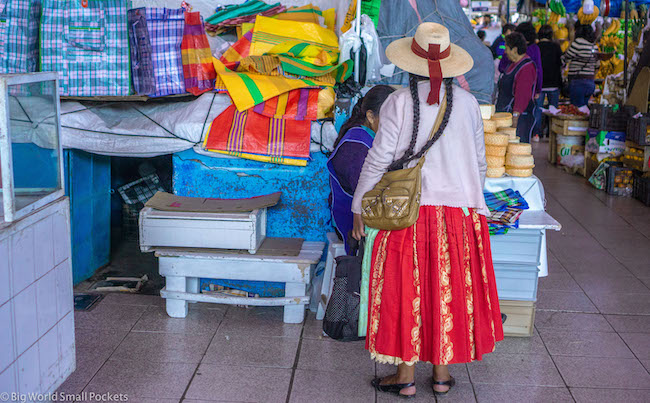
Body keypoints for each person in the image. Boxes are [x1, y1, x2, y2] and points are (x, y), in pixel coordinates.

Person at [351, 23, 504, 398]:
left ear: (411, 63)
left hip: (409, 215)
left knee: (407, 291)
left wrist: (359, 206)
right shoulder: (468, 105)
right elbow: (480, 164)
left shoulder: (399, 102)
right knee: (447, 292)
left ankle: (404, 376)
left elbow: (377, 161)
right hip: (459, 217)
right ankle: (441, 375)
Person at [328, 85, 395, 251]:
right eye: (390, 120)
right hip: (353, 225)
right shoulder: (356, 146)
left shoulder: (370, 138)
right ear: (371, 116)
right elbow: (367, 194)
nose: (396, 126)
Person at [496, 32, 538, 143]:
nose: (505, 52)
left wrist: (515, 117)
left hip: (519, 120)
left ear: (514, 49)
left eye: (507, 48)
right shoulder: (512, 64)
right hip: (505, 117)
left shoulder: (526, 67)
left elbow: (522, 95)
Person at [500, 22, 543, 99]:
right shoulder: (535, 48)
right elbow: (538, 70)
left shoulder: (512, 48)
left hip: (510, 90)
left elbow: (501, 67)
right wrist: (538, 90)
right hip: (530, 89)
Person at [563, 23, 598, 107]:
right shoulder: (594, 46)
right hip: (590, 83)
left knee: (576, 110)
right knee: (584, 110)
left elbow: (566, 57)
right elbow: (597, 65)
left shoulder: (578, 43)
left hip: (578, 82)